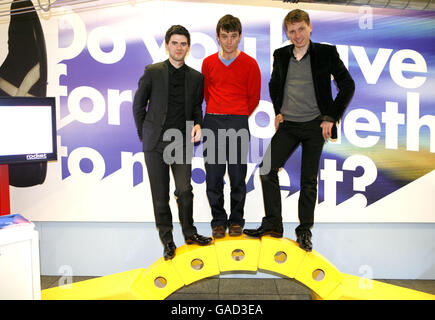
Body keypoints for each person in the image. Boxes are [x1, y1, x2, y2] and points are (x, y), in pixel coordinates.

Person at [243, 9, 355, 251]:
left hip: (316, 125)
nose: (297, 35)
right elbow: (274, 84)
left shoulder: (326, 53)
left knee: (308, 181)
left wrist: (331, 117)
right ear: (287, 33)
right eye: (292, 31)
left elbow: (347, 85)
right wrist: (278, 111)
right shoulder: (281, 55)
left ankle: (304, 231)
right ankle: (273, 223)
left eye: (301, 29)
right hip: (289, 125)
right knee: (266, 169)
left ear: (310, 27)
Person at [132, 25, 212, 260]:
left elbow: (198, 107)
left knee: (185, 190)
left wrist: (199, 123)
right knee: (160, 196)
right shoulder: (152, 71)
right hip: (155, 144)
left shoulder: (196, 77)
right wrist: (145, 135)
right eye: (174, 43)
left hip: (181, 142)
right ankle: (168, 241)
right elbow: (138, 106)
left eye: (183, 43)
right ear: (167, 45)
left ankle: (190, 233)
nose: (179, 47)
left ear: (188, 48)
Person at [201, 15, 261, 239]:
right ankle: (218, 220)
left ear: (240, 37)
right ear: (218, 37)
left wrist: (237, 114)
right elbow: (205, 94)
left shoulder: (250, 64)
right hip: (213, 121)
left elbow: (253, 97)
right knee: (214, 176)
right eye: (224, 36)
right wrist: (218, 111)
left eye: (233, 36)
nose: (228, 41)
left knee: (237, 175)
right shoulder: (208, 63)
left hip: (238, 121)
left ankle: (236, 221)